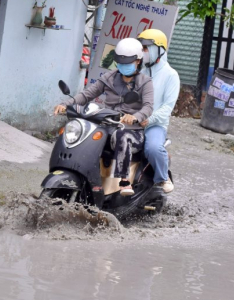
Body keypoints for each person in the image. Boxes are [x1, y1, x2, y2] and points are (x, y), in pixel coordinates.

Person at [54, 38, 154, 195]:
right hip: (108, 125)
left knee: (123, 136)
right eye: (120, 61)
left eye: (127, 61)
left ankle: (124, 181)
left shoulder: (145, 82)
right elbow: (87, 94)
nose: (123, 65)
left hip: (132, 131)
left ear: (138, 60)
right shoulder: (109, 78)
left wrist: (135, 117)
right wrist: (66, 104)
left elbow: (148, 106)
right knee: (86, 133)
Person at [138, 29, 180, 193]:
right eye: (142, 48)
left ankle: (163, 178)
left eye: (147, 48)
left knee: (153, 148)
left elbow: (167, 108)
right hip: (133, 120)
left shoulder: (171, 75)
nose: (143, 52)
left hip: (154, 125)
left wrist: (149, 119)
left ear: (159, 50)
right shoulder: (138, 71)